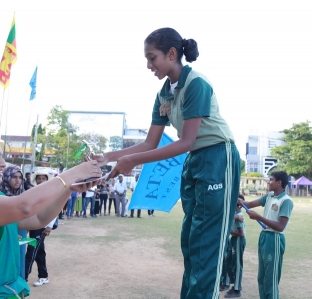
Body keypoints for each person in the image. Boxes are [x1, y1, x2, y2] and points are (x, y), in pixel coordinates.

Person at [92, 28, 240, 298]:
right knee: (190, 240)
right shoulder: (163, 94)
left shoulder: (196, 84)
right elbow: (150, 142)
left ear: (172, 54)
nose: (149, 65)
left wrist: (130, 161)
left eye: (152, 58)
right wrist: (109, 157)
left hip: (218, 156)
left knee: (207, 243)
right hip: (195, 160)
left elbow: (185, 141)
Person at [0, 129, 101, 298]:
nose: (3, 163)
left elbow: (38, 218)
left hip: (3, 292)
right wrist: (74, 173)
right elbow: (23, 206)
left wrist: (69, 188)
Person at [238, 171, 293, 299]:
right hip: (264, 237)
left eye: (271, 180)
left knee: (270, 280)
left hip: (274, 239)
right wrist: (239, 200)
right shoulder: (269, 196)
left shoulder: (286, 201)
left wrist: (259, 217)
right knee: (261, 278)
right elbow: (250, 204)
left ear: (279, 183)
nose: (268, 182)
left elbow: (280, 226)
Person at [25, 169, 56, 286]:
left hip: (42, 226)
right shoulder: (34, 192)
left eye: (43, 178)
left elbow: (54, 210)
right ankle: (43, 276)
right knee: (39, 252)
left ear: (47, 180)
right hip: (34, 225)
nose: (41, 180)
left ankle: (24, 277)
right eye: (39, 178)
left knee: (31, 251)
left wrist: (49, 226)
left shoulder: (51, 193)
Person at [0, 165, 27, 280]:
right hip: (4, 232)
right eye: (14, 177)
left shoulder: (23, 194)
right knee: (6, 259)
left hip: (21, 230)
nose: (18, 180)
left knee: (20, 257)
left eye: (20, 177)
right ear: (7, 177)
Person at [221, 195, 246, 298]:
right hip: (233, 239)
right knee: (228, 261)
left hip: (238, 240)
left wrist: (229, 232)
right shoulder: (236, 215)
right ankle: (233, 282)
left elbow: (241, 234)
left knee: (237, 264)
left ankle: (237, 289)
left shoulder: (239, 216)